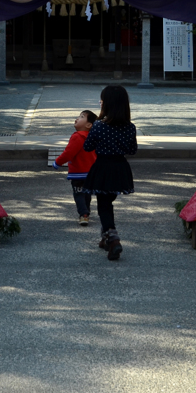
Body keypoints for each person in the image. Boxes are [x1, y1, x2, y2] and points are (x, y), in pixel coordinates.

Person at [82, 85, 137, 261]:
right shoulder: (130, 127)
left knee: (103, 204)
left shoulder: (99, 126)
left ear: (106, 104)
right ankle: (105, 237)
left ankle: (112, 237)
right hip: (120, 167)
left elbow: (87, 146)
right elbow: (132, 149)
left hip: (103, 167)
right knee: (108, 201)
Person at [53, 110, 99, 226]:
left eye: (82, 117)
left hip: (78, 172)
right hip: (91, 172)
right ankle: (86, 212)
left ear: (88, 125)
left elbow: (68, 153)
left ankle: (83, 214)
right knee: (87, 193)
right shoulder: (94, 137)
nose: (77, 118)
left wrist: (57, 162)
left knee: (78, 193)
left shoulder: (77, 137)